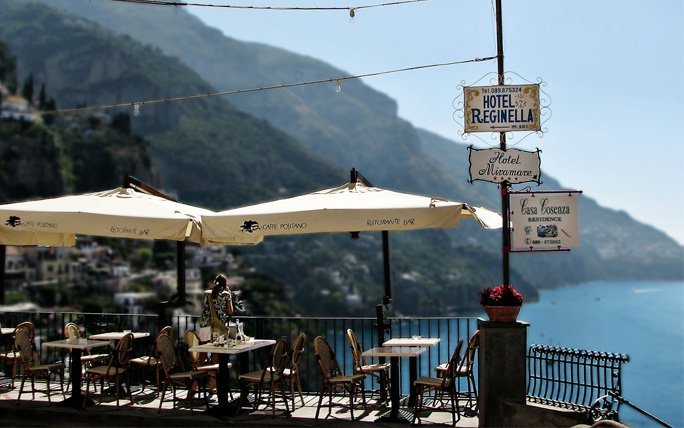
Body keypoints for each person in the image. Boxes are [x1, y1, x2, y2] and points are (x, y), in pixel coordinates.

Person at [198, 274, 234, 341]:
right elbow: (230, 311)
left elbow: (203, 306)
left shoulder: (207, 293)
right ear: (225, 284)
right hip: (218, 325)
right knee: (217, 347)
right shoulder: (226, 294)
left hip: (205, 323)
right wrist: (229, 295)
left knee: (203, 348)